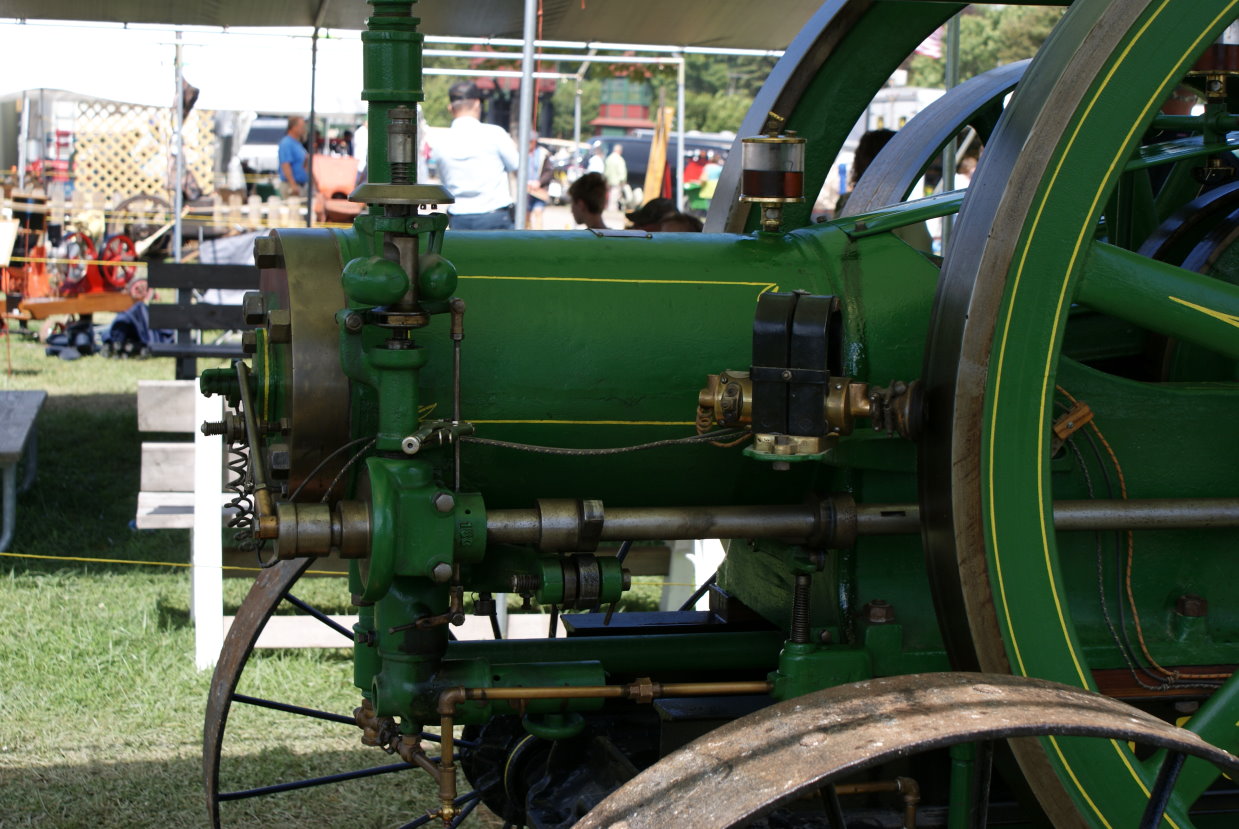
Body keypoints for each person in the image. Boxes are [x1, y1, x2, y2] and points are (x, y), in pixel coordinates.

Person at [428, 82, 519, 230]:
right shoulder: (495, 134)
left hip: (459, 218)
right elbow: (515, 165)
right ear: (477, 104)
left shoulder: (440, 142)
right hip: (495, 216)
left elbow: (442, 180)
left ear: (451, 108)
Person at [525, 134, 553, 230]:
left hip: (539, 190)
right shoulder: (522, 152)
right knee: (526, 214)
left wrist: (539, 182)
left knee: (538, 212)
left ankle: (538, 235)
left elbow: (549, 171)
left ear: (534, 142)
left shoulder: (543, 154)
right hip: (526, 189)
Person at [278, 116, 309, 197]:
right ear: (293, 127)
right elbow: (285, 164)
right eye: (302, 127)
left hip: (301, 185)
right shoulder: (286, 143)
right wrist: (293, 185)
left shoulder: (297, 143)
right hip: (291, 187)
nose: (304, 129)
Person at [603, 143, 627, 211]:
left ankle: (609, 209)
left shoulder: (609, 158)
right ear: (619, 151)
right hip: (617, 182)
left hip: (609, 181)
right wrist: (623, 181)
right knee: (614, 198)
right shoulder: (620, 160)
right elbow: (622, 172)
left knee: (609, 196)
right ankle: (612, 210)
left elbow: (606, 171)